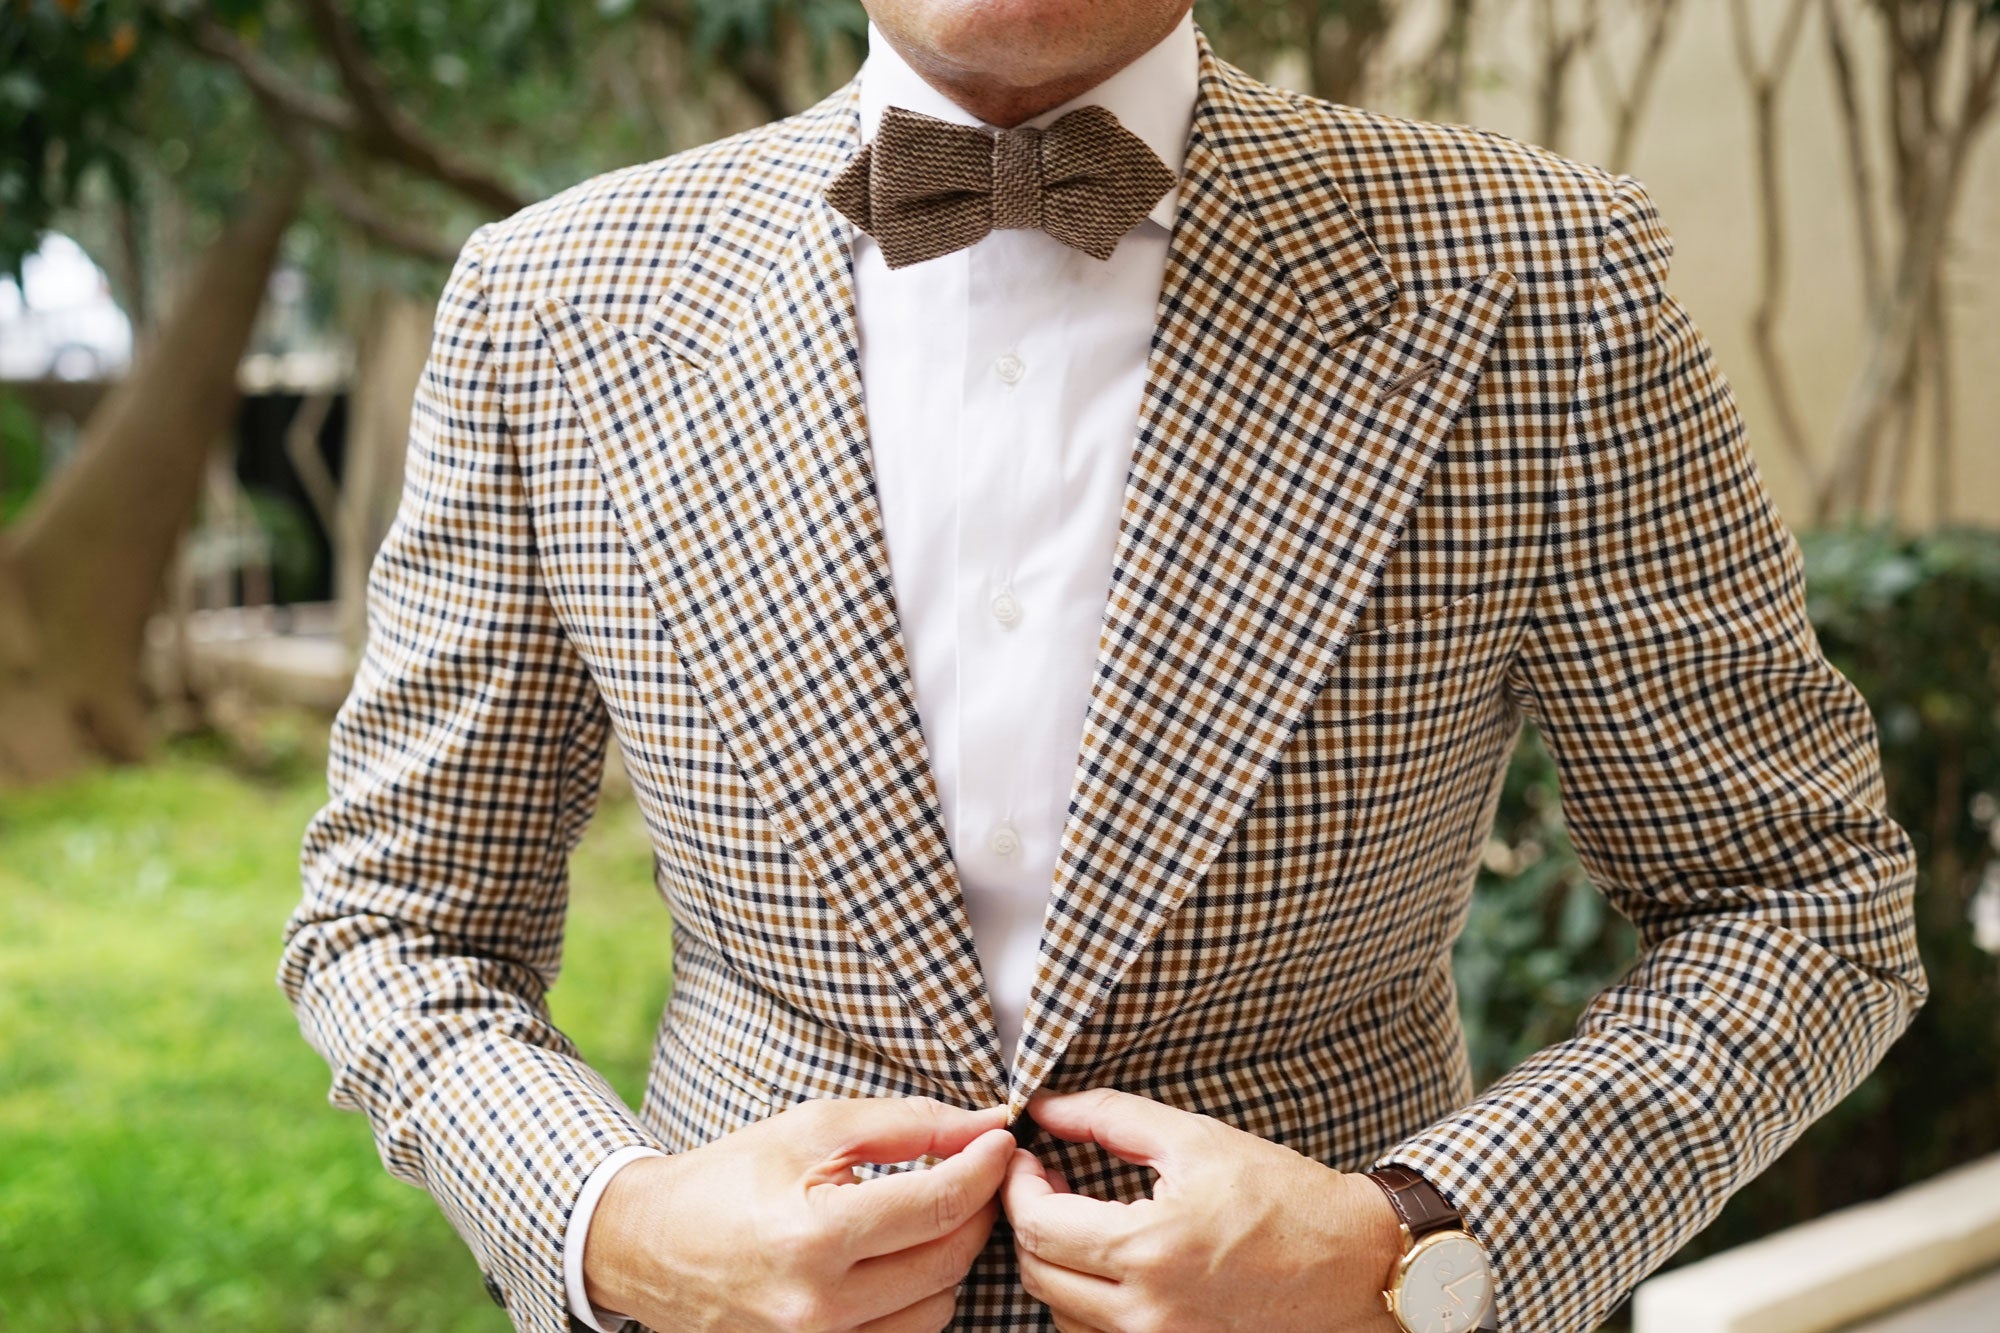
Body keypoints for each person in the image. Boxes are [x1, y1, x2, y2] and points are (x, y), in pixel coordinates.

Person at [280, 2, 1928, 1330]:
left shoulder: (1543, 283)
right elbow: (398, 923)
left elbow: (1800, 899)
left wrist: (1414, 1244)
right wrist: (614, 1224)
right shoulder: (553, 304)